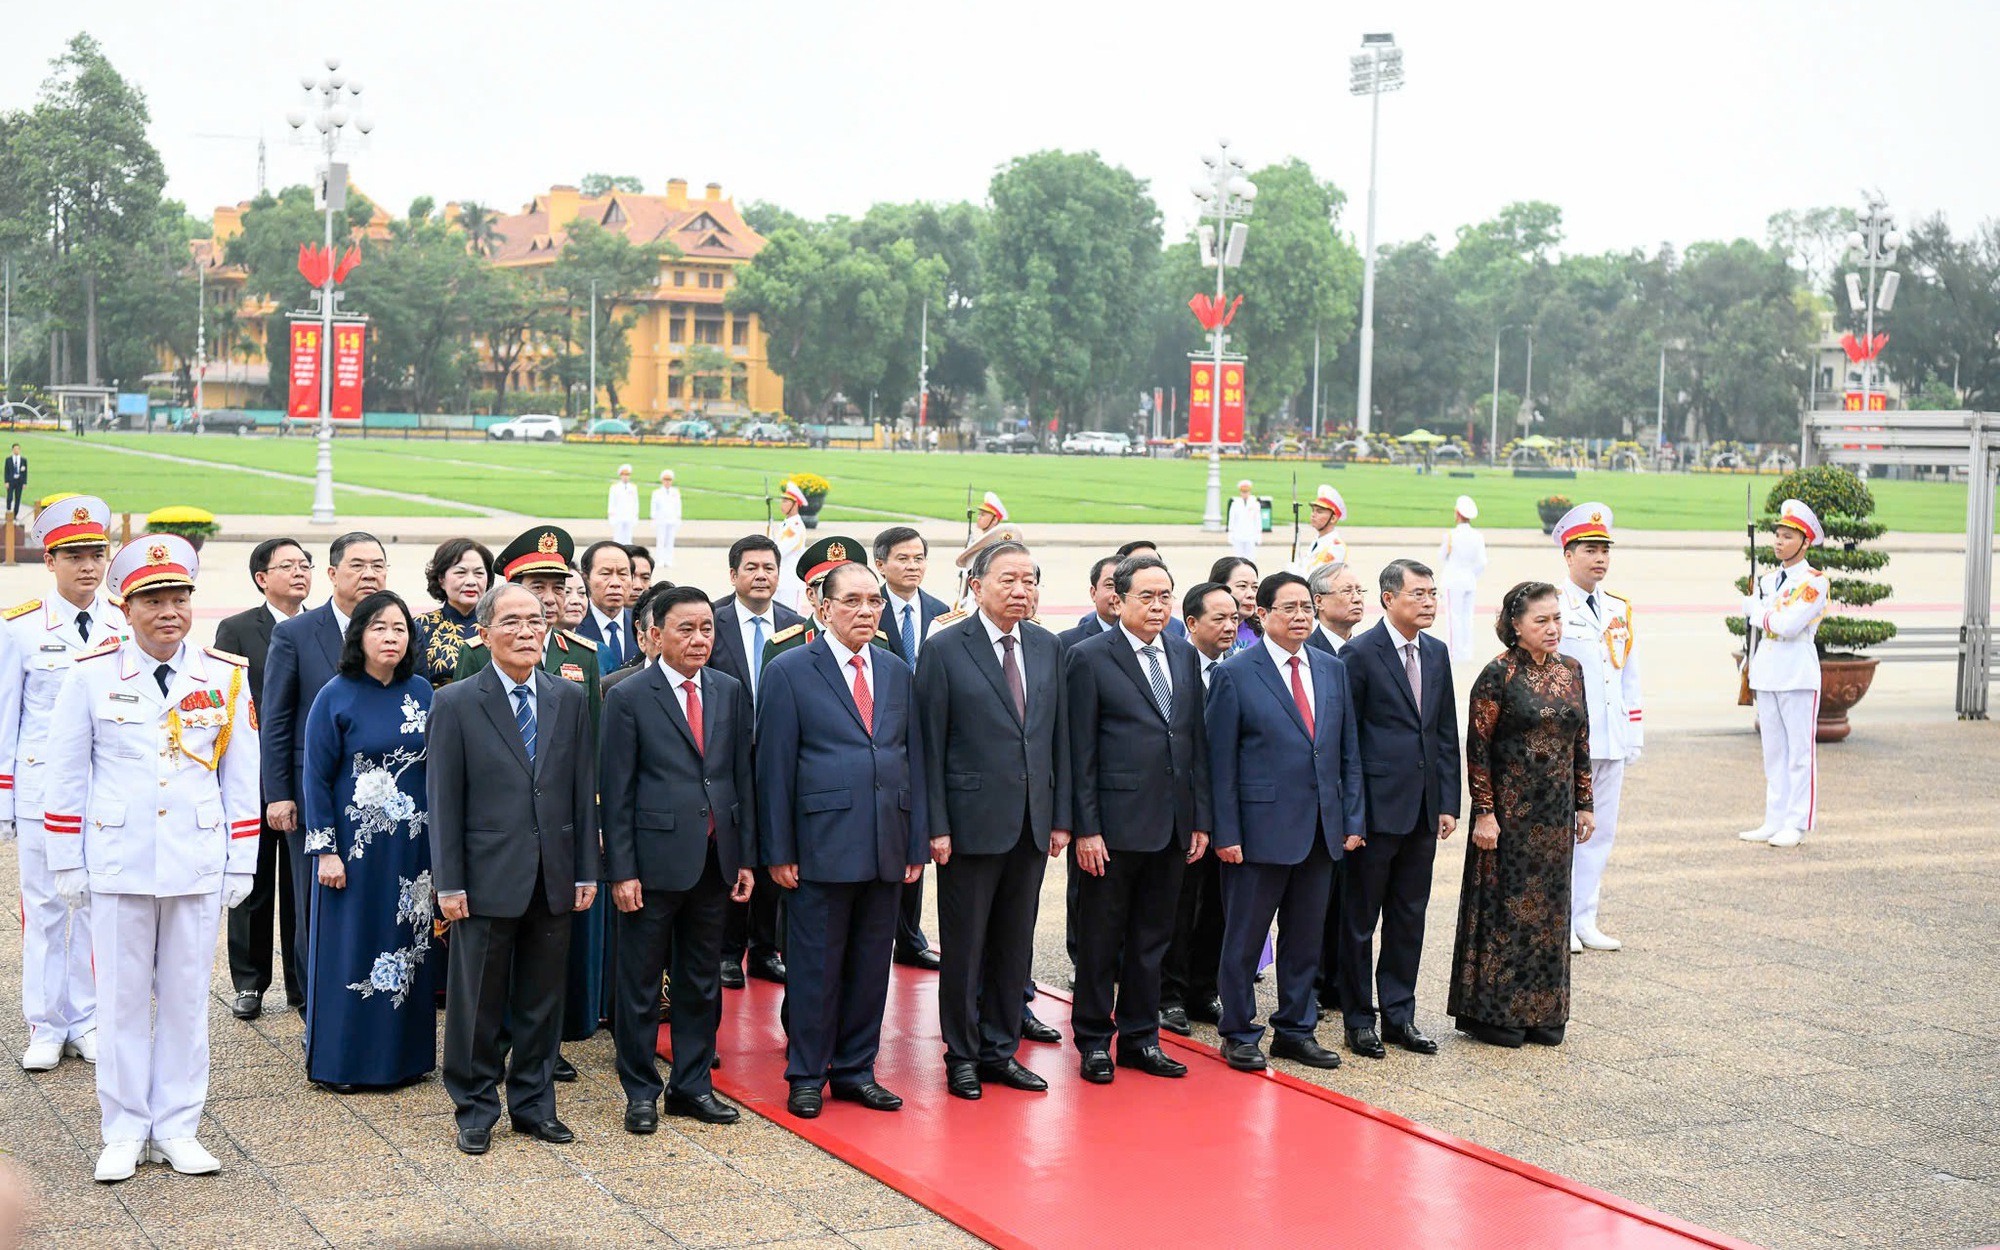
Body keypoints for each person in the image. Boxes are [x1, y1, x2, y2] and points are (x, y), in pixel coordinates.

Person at [42, 534, 259, 1182]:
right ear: (127, 606)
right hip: (119, 857)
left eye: (180, 598)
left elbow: (241, 776)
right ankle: (124, 1127)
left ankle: (177, 1127)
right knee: (122, 1002)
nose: (170, 611)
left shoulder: (224, 674)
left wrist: (241, 860)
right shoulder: (91, 674)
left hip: (194, 858)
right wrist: (66, 859)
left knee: (190, 1001)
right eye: (155, 600)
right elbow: (65, 772)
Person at [429, 582, 600, 1155]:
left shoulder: (567, 698)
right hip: (484, 877)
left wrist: (584, 871)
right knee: (477, 1001)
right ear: (485, 633)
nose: (527, 632)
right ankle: (475, 1106)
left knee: (541, 999)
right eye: (513, 623)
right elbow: (444, 801)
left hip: (553, 873)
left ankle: (534, 1103)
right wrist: (448, 882)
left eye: (536, 622)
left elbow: (581, 790)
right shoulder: (455, 701)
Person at [756, 562, 928, 1120]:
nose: (865, 611)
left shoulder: (897, 671)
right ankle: (807, 1072)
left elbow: (912, 761)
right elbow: (774, 768)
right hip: (820, 846)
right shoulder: (789, 670)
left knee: (871, 966)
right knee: (814, 968)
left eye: (873, 602)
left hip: (886, 844)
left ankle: (856, 1068)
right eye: (851, 601)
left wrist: (914, 844)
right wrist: (778, 851)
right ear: (823, 608)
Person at [916, 540, 1070, 1100]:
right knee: (966, 945)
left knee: (1014, 943)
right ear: (976, 587)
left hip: (1031, 822)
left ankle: (1001, 1049)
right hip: (968, 823)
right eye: (1008, 580)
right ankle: (961, 1054)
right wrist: (935, 823)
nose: (1020, 590)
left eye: (1029, 580)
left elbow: (1059, 739)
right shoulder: (946, 647)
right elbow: (928, 744)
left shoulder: (1049, 647)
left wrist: (1061, 816)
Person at [602, 586, 756, 1131]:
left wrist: (745, 857)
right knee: (640, 984)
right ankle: (640, 1090)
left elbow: (740, 778)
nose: (698, 640)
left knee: (702, 980)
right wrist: (621, 870)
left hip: (714, 860)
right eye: (685, 629)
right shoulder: (627, 696)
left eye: (706, 629)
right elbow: (615, 792)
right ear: (655, 634)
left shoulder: (730, 690)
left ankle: (691, 1086)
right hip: (651, 864)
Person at [455, 527, 605, 1070]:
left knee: (545, 978)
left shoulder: (578, 660)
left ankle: (535, 1076)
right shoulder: (474, 663)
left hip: (555, 847)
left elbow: (585, 760)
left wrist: (589, 845)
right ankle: (484, 1070)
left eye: (554, 586)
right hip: (494, 849)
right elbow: (460, 769)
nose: (545, 597)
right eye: (533, 584)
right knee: (486, 983)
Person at [1206, 572, 1364, 1073]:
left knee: (1305, 938)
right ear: (1265, 614)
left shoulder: (1330, 669)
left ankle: (1296, 1029)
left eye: (1306, 609)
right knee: (1245, 938)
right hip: (1257, 832)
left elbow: (1346, 752)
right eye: (1289, 608)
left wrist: (1351, 817)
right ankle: (1239, 1030)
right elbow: (1219, 764)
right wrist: (1225, 833)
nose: (1300, 617)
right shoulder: (1237, 673)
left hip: (1321, 829)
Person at [1064, 555, 1208, 1084]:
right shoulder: (1089, 657)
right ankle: (1095, 1041)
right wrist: (1087, 828)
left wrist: (1199, 818)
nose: (1157, 606)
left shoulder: (1183, 653)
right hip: (1112, 829)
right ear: (1117, 600)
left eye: (1165, 596)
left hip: (1172, 825)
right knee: (1102, 941)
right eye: (1145, 597)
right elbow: (1079, 752)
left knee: (1153, 939)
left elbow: (1194, 742)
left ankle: (1141, 1037)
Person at [0, 495, 122, 1070]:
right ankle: (46, 1024)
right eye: (73, 555)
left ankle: (89, 1018)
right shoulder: (21, 628)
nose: (88, 567)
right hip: (42, 790)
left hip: (106, 791)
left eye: (96, 554)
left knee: (98, 906)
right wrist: (4, 801)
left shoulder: (123, 622)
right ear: (50, 561)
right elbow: (6, 719)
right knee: (45, 908)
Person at [300, 591, 436, 1091]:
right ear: (359, 635)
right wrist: (326, 850)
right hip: (355, 851)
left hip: (412, 849)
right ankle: (344, 1063)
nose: (391, 637)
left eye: (399, 628)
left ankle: (405, 1058)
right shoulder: (335, 694)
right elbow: (315, 778)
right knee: (353, 948)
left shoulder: (422, 692)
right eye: (379, 627)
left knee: (409, 946)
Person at [1450, 581, 1595, 1048]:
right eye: (1542, 620)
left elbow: (1581, 741)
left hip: (1554, 820)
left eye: (1557, 618)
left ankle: (1544, 1011)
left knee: (1551, 915)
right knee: (1507, 913)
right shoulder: (1499, 675)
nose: (1553, 628)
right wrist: (1485, 814)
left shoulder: (1572, 670)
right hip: (1510, 819)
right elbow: (1477, 749)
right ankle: (1494, 1011)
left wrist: (1585, 803)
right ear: (1515, 626)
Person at [1337, 560, 1459, 1060]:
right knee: (1360, 919)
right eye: (1418, 594)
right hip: (1374, 813)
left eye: (1432, 594)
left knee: (1409, 916)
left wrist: (1448, 802)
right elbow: (1347, 739)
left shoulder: (1436, 652)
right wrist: (1353, 814)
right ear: (1389, 598)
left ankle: (1399, 1015)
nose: (1429, 602)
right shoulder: (1359, 654)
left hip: (1422, 811)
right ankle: (1358, 1019)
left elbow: (1444, 732)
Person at [264, 532, 389, 1004]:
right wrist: (278, 792)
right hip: (312, 794)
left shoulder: (398, 628)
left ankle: (369, 999)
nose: (370, 575)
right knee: (314, 903)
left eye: (378, 565)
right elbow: (277, 718)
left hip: (382, 800)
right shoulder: (296, 632)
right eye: (357, 566)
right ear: (333, 574)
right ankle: (317, 1006)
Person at [215, 538, 312, 1021]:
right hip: (251, 777)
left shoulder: (322, 628)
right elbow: (225, 703)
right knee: (252, 883)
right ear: (261, 578)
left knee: (300, 884)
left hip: (303, 774)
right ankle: (249, 982)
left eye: (305, 565)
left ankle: (301, 983)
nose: (299, 573)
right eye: (287, 566)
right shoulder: (236, 630)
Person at [708, 535, 802, 989]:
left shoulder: (796, 625)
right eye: (751, 568)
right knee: (734, 851)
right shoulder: (712, 620)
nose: (761, 575)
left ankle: (766, 948)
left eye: (769, 567)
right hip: (727, 758)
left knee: (773, 851)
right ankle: (729, 951)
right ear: (733, 576)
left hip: (781, 760)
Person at [1554, 503, 1642, 952]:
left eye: (1605, 550)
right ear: (1569, 555)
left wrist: (1634, 734)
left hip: (1612, 738)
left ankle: (1586, 918)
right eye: (1590, 549)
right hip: (1572, 743)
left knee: (1600, 832)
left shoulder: (1618, 608)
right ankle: (1561, 921)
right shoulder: (1553, 607)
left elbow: (1628, 674)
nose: (1600, 558)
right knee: (1565, 832)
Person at [1160, 581, 1237, 1034]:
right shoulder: (1172, 664)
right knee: (1177, 905)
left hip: (1227, 809)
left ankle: (1202, 989)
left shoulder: (1243, 669)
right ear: (1191, 623)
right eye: (1219, 619)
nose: (1230, 627)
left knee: (1218, 907)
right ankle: (1167, 993)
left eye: (1235, 619)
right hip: (1181, 810)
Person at [873, 525, 948, 971]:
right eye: (902, 558)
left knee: (917, 836)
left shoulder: (942, 613)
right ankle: (884, 930)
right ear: (880, 564)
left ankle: (910, 933)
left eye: (919, 557)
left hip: (929, 738)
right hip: (882, 735)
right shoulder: (868, 607)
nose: (912, 565)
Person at [1740, 499, 1831, 850]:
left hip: (1797, 673)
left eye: (1788, 536)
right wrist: (1759, 611)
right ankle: (1774, 818)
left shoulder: (1814, 582)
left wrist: (1756, 613)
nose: (1779, 542)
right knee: (1773, 751)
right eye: (1777, 535)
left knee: (1799, 753)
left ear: (1805, 542)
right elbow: (1768, 622)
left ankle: (1797, 822)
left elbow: (1789, 625)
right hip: (1767, 671)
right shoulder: (1767, 580)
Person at [413, 539, 493, 687]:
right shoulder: (420, 626)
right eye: (461, 573)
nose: (471, 581)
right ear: (441, 579)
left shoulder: (498, 626)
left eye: (479, 573)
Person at [1438, 495, 1488, 662]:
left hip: (1453, 579)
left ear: (1458, 514)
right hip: (1469, 579)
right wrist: (1472, 575)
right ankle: (1466, 652)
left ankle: (1453, 653)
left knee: (1453, 617)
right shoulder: (1478, 536)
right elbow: (1482, 562)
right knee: (1467, 617)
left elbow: (1442, 556)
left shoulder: (1451, 535)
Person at [576, 540, 637, 672]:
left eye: (622, 574)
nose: (615, 583)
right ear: (585, 578)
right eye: (605, 574)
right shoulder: (573, 625)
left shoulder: (642, 626)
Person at [1058, 556, 1122, 649]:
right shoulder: (1066, 642)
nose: (1116, 594)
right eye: (1109, 585)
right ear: (1093, 593)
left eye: (1123, 585)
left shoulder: (1147, 639)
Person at [1307, 561, 1365, 655]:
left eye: (1359, 591)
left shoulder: (1369, 650)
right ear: (1319, 601)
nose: (1357, 599)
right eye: (1347, 591)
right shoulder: (1305, 653)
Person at [1290, 484, 1348, 578]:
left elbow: (1318, 577)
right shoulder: (1317, 541)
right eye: (1313, 510)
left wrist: (1296, 575)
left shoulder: (1336, 547)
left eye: (1319, 512)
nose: (1313, 515)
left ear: (1333, 518)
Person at [771, 480, 810, 612]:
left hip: (790, 581)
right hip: (780, 580)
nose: (782, 505)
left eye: (786, 501)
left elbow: (779, 551)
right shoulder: (786, 524)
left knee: (790, 616)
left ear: (795, 504)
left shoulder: (796, 527)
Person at [1208, 556, 1262, 652]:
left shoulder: (1263, 634)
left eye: (1255, 587)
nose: (1251, 595)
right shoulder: (1202, 633)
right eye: (1242, 586)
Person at [651, 470, 683, 567]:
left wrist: (678, 518)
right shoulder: (657, 492)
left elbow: (678, 506)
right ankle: (660, 560)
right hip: (661, 520)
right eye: (665, 479)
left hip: (672, 519)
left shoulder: (675, 492)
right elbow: (653, 507)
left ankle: (668, 560)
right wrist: (653, 518)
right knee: (660, 541)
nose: (667, 482)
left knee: (670, 541)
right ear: (662, 480)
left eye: (669, 480)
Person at [1226, 480, 1261, 559]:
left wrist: (1259, 534)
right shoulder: (1235, 504)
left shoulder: (1255, 503)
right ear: (1240, 492)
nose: (1245, 494)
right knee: (1238, 557)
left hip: (1251, 534)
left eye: (1246, 491)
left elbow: (1258, 520)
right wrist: (1230, 533)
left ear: (1249, 492)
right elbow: (1231, 519)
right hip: (1238, 534)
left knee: (1250, 557)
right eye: (1243, 492)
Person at [607, 464, 640, 545]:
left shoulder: (633, 487)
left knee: (628, 537)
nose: (625, 477)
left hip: (629, 516)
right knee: (618, 537)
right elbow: (611, 502)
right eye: (624, 474)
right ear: (620, 475)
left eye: (627, 474)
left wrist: (635, 515)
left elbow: (636, 502)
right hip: (618, 516)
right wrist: (611, 516)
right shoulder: (614, 487)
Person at [3, 445, 25, 521]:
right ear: (12, 450)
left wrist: (24, 483)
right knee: (9, 497)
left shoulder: (23, 460)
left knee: (18, 498)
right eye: (15, 449)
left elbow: (25, 472)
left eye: (17, 449)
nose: (16, 450)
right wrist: (6, 481)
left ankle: (15, 514)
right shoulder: (8, 460)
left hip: (19, 481)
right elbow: (6, 471)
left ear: (19, 450)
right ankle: (8, 511)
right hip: (11, 481)